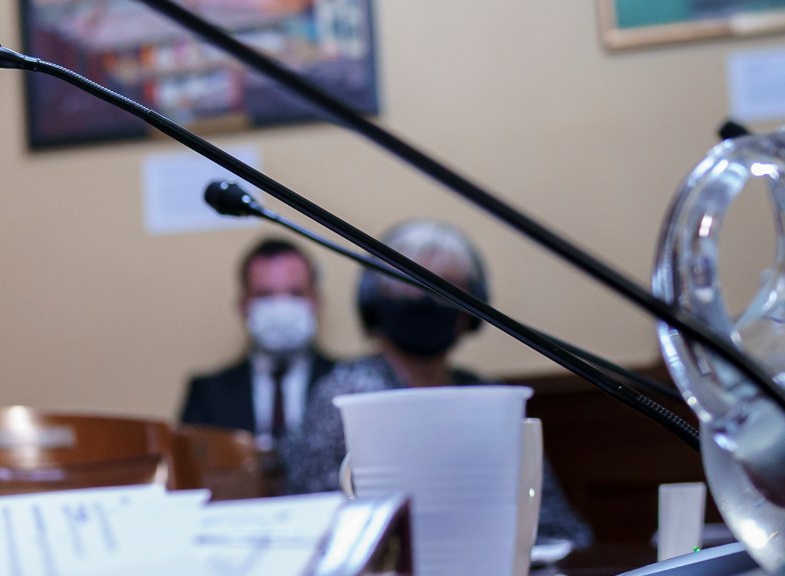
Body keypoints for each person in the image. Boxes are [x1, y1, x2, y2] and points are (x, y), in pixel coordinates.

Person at [282, 218, 593, 546]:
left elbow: (557, 528)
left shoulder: (491, 400)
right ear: (375, 301)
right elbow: (319, 526)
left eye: (444, 288)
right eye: (405, 285)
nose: (423, 300)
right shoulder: (346, 395)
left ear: (471, 308)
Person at [179, 236, 341, 466]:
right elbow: (190, 474)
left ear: (315, 301)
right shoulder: (207, 394)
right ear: (243, 306)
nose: (280, 309)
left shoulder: (346, 385)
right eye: (265, 295)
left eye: (295, 294)